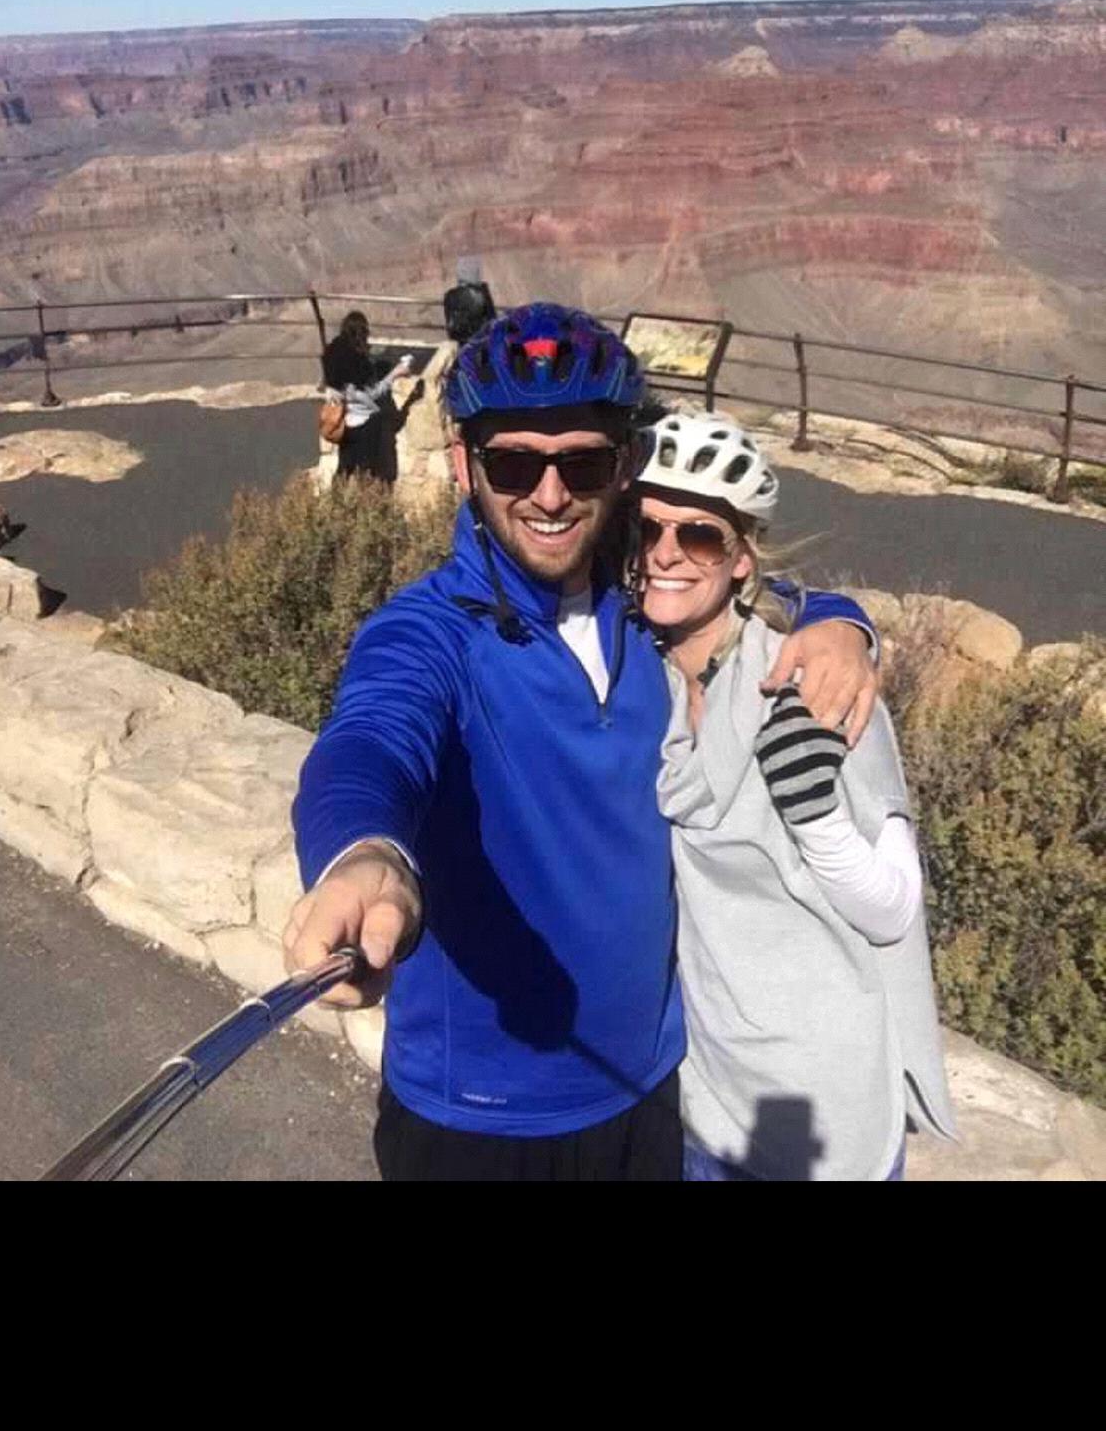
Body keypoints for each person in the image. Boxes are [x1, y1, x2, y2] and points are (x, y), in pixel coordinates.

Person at [285, 303, 880, 1182]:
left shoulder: (644, 597)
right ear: (463, 465)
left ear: (624, 464)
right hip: (479, 1118)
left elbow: (759, 585)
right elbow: (373, 737)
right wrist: (363, 855)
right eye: (514, 462)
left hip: (653, 1088)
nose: (552, 495)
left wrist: (840, 622)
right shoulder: (427, 634)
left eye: (584, 461)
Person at [634, 409, 956, 1180]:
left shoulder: (812, 683)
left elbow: (891, 906)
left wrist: (816, 819)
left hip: (822, 1102)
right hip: (705, 1089)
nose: (666, 554)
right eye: (646, 530)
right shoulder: (647, 678)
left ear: (742, 558)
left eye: (700, 536)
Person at [321, 310, 413, 482]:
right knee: (367, 470)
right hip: (363, 424)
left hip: (344, 421)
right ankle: (367, 504)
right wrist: (395, 373)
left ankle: (335, 502)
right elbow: (370, 395)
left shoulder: (333, 354)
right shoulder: (356, 364)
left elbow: (333, 388)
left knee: (344, 467)